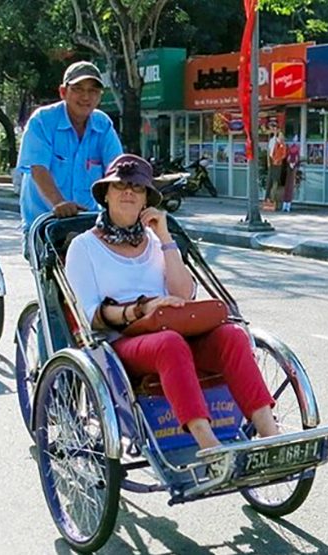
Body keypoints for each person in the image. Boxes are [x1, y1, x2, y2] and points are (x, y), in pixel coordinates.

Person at [65, 154, 278, 451]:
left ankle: (271, 435)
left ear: (146, 200)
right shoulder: (84, 247)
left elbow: (182, 295)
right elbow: (90, 316)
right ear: (106, 194)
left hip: (171, 330)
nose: (128, 192)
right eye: (120, 186)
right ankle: (208, 444)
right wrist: (141, 309)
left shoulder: (155, 242)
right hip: (120, 343)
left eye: (137, 188)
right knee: (169, 343)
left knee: (232, 336)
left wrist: (164, 237)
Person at [17, 61, 123, 242]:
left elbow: (117, 170)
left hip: (87, 222)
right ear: (63, 92)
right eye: (78, 89)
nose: (85, 96)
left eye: (93, 91)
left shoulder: (103, 124)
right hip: (45, 223)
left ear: (99, 96)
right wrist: (59, 203)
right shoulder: (42, 120)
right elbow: (38, 169)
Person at [265, 130, 286, 208]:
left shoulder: (282, 145)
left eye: (282, 136)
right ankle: (267, 199)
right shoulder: (274, 142)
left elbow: (283, 155)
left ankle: (272, 199)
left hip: (278, 164)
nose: (282, 137)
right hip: (272, 163)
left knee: (275, 182)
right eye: (280, 136)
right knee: (270, 181)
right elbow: (270, 153)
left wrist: (278, 159)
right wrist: (270, 162)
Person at [281, 140, 301, 212]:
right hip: (292, 169)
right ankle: (287, 205)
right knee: (290, 187)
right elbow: (296, 159)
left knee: (288, 187)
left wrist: (290, 164)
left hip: (290, 169)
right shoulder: (297, 151)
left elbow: (288, 159)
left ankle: (285, 205)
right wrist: (294, 164)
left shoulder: (290, 150)